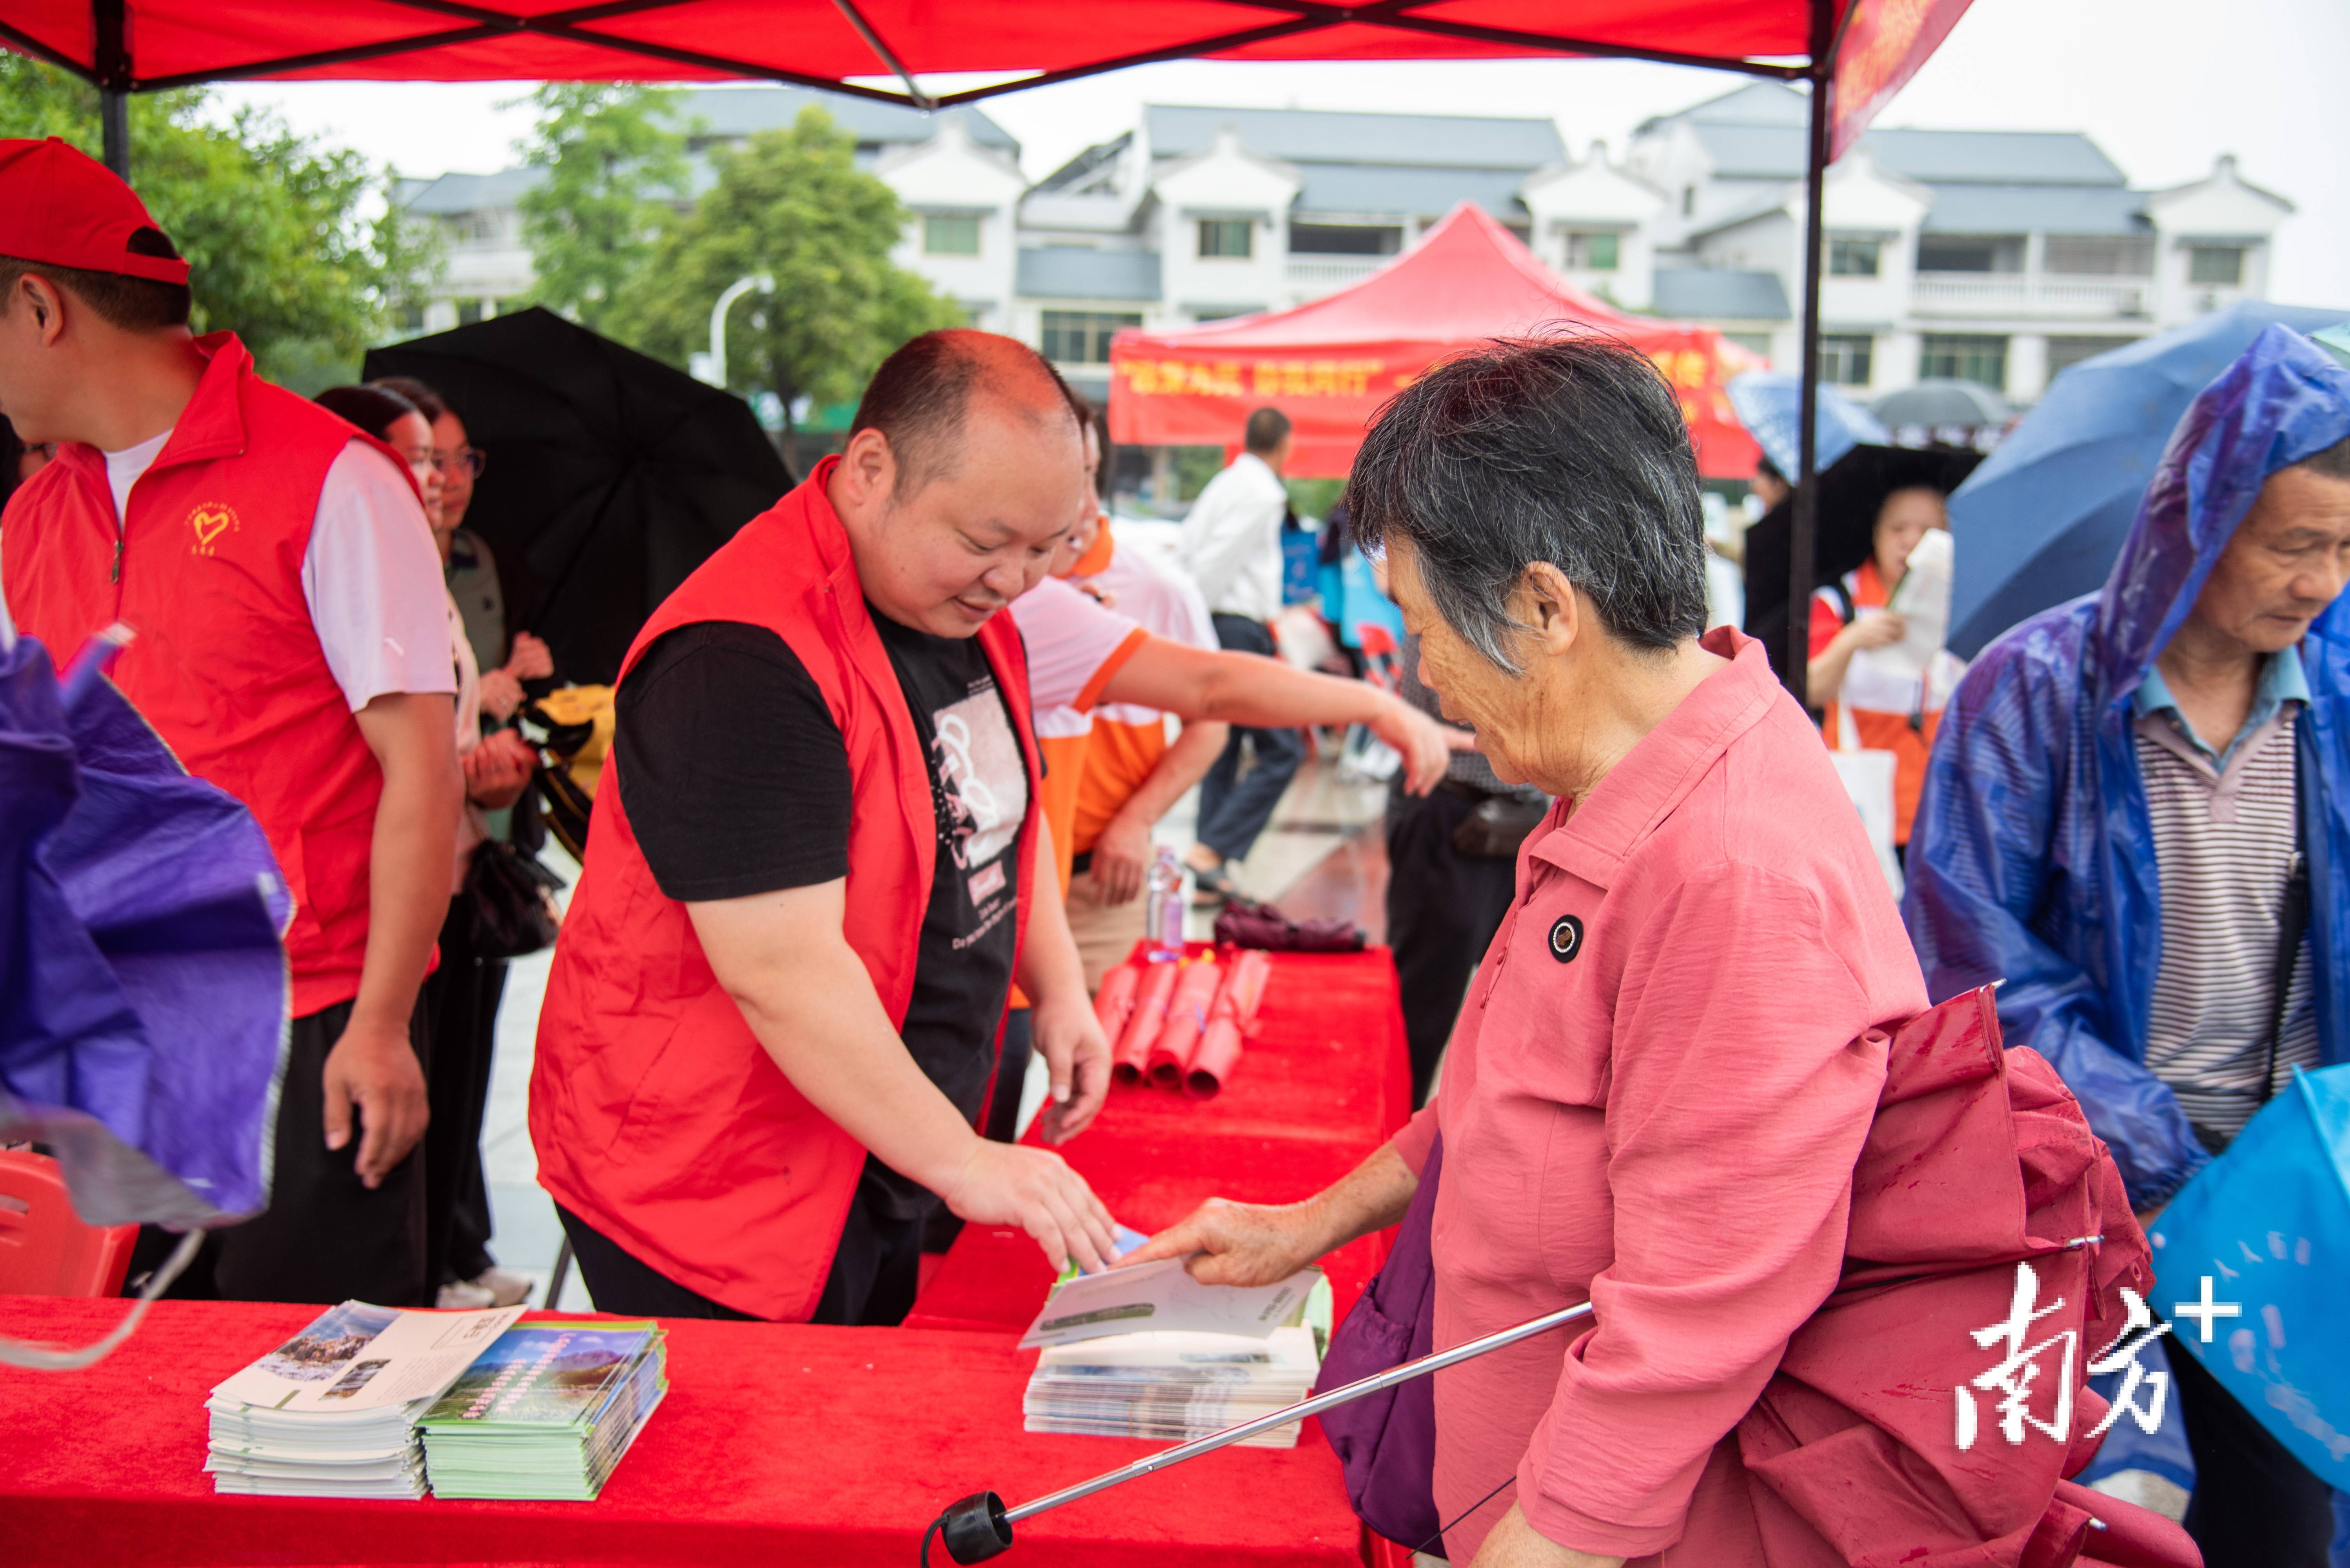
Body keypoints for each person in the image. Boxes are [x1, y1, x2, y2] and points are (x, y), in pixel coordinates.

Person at [1126, 335, 1928, 1566]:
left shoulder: (1734, 873)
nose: (1413, 664)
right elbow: (1516, 1085)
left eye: (1419, 622)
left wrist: (1540, 1544)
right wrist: (1310, 1225)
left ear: (1548, 607)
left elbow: (1694, 1319)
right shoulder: (1613, 774)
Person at [530, 330, 1122, 1327]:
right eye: (985, 543)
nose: (1016, 580)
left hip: (889, 1141)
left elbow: (1000, 820)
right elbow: (784, 968)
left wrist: (1056, 988)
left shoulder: (973, 616)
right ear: (871, 470)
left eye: (1046, 546)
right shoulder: (739, 659)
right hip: (724, 1180)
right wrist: (963, 1160)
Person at [1905, 325, 2350, 1567]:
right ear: (2200, 521)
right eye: (2294, 542)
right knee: (2073, 1506)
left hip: (2285, 1198)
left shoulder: (2341, 698)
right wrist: (2147, 1148)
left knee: (2279, 1508)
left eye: (2347, 548)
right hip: (2085, 1192)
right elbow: (1969, 955)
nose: (2319, 579)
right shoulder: (2032, 689)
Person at [0, 137, 459, 1306]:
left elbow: (422, 769)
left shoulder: (332, 479)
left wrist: (385, 1023)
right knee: (117, 1414)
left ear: (38, 304)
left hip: (306, 1029)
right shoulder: (35, 516)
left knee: (311, 1402)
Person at [320, 380, 541, 1313]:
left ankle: (441, 1261)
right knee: (392, 1102)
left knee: (450, 1079)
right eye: (416, 459)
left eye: (447, 459)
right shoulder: (352, 564)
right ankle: (422, 1274)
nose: (439, 479)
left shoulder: (451, 567)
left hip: (451, 873)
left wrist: (484, 762)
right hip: (379, 895)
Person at [1382, 629, 1544, 1106]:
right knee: (1425, 1003)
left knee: (1520, 1004)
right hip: (1453, 807)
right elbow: (1422, 707)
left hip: (1530, 814)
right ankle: (1394, 1130)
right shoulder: (1451, 597)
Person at [370, 375, 553, 715]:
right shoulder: (370, 583)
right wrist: (471, 700)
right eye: (432, 461)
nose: (453, 481)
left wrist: (533, 675)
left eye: (464, 458)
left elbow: (524, 696)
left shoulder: (497, 563)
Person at [1180, 406, 1302, 903]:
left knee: (1222, 749)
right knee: (1282, 750)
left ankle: (1211, 874)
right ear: (1284, 444)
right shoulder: (1264, 491)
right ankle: (1211, 850)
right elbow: (1214, 562)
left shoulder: (1225, 482)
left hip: (1219, 624)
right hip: (1236, 627)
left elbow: (1189, 549)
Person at [1806, 483, 1962, 846]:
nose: (1911, 541)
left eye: (1929, 531)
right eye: (1898, 528)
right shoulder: (1838, 602)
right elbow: (1810, 689)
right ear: (1876, 533)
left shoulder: (1961, 603)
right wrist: (1851, 641)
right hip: (1861, 809)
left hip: (1938, 812)